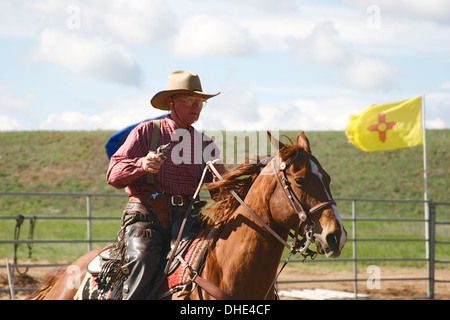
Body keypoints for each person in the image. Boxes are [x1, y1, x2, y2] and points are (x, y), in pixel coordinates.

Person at [106, 70, 227, 300]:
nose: (196, 107)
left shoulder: (205, 144)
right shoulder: (147, 132)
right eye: (189, 100)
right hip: (147, 218)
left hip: (188, 220)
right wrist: (142, 164)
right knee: (143, 259)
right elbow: (113, 175)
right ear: (171, 102)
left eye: (200, 102)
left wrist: (226, 180)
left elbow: (222, 193)